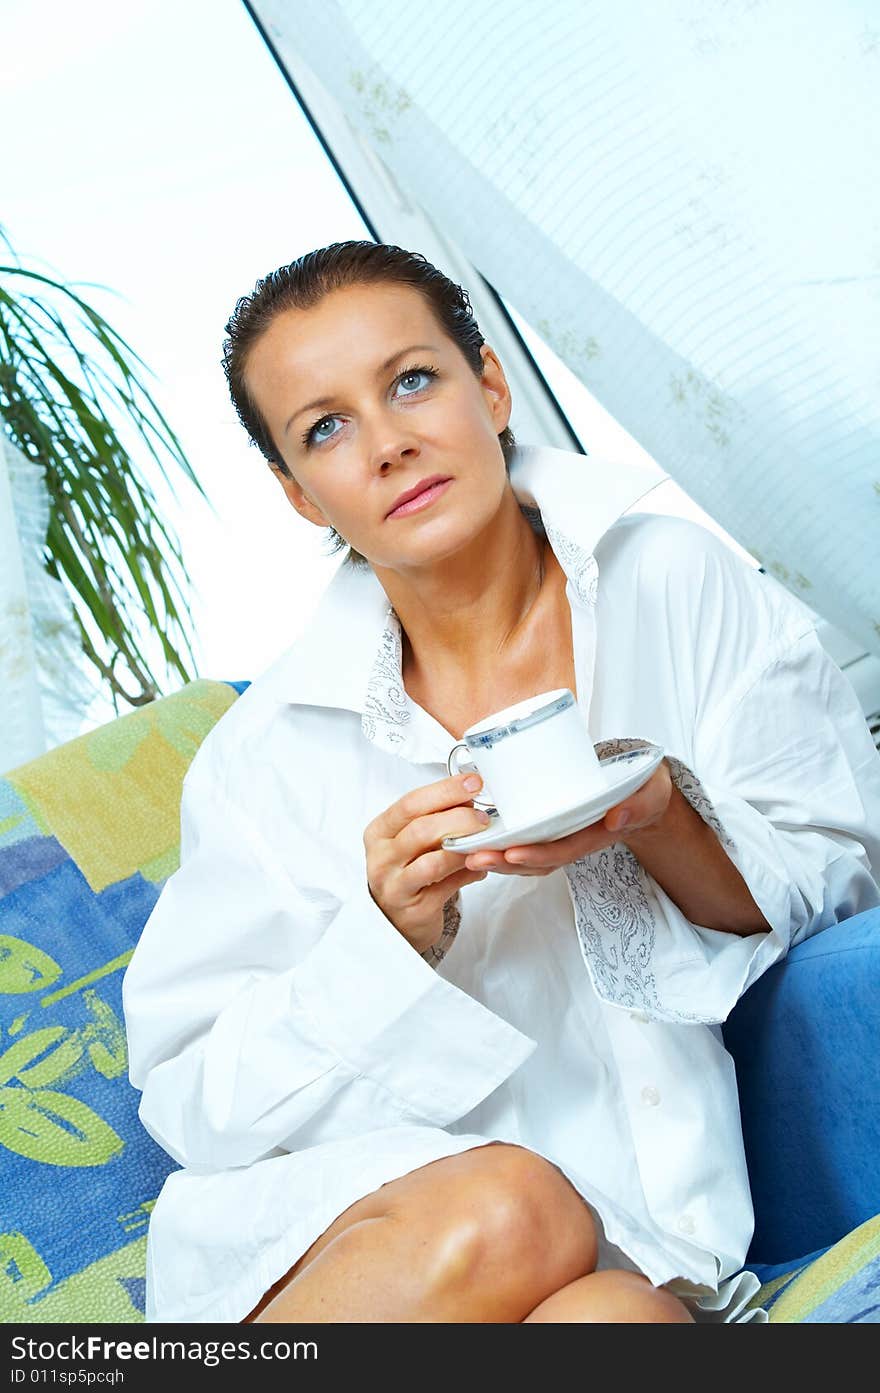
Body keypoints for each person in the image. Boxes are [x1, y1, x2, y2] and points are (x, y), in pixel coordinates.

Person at [121, 240, 880, 1325]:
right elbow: (197, 1103)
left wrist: (662, 818)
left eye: (411, 381)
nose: (388, 445)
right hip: (372, 1245)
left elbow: (841, 873)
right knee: (516, 1208)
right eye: (326, 428)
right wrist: (387, 940)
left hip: (643, 1248)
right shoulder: (263, 756)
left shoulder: (672, 579)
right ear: (300, 495)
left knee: (624, 1319)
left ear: (488, 383)